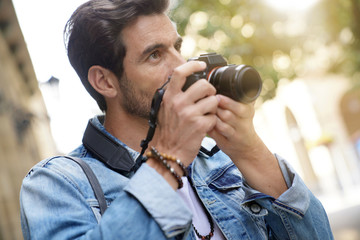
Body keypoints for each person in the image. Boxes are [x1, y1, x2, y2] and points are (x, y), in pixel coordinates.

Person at [20, 0, 334, 239]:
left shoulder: (220, 161)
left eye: (177, 47)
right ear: (105, 81)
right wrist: (166, 159)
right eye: (155, 55)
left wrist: (249, 149)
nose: (183, 66)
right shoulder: (56, 184)